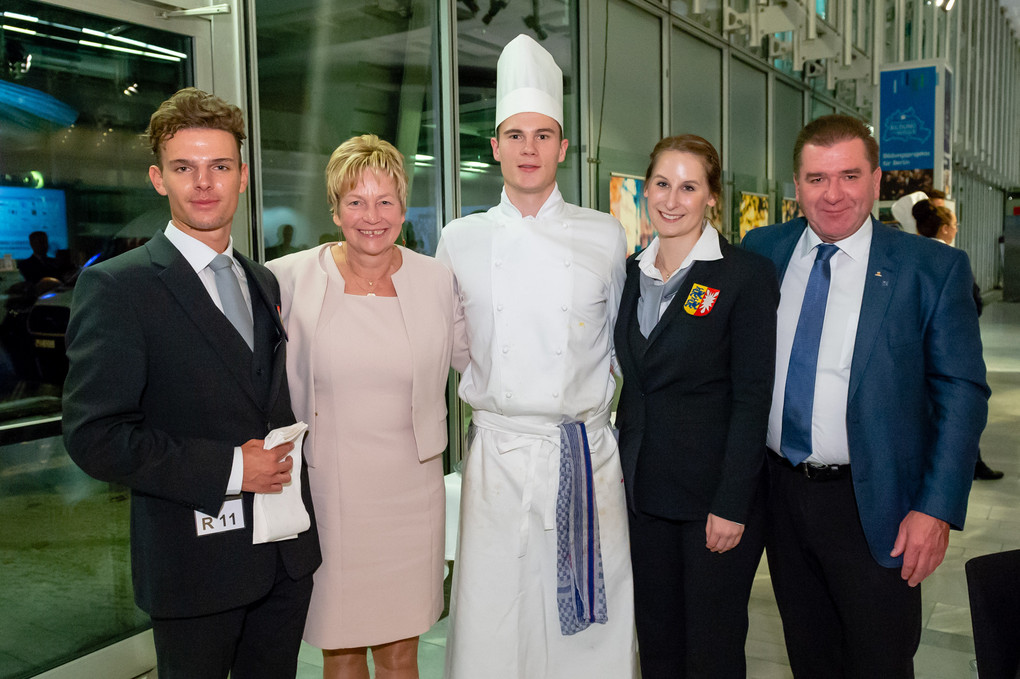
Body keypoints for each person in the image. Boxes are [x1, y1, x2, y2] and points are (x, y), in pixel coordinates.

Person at [62, 87, 321, 679]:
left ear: (243, 177)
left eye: (220, 166)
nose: (204, 183)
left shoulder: (261, 281)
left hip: (283, 558)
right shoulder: (119, 288)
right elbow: (95, 436)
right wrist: (231, 469)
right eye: (184, 168)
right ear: (158, 179)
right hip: (193, 568)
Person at [742, 114, 990, 678]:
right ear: (797, 184)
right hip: (780, 496)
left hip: (876, 503)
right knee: (809, 656)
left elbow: (962, 393)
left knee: (880, 660)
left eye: (849, 176)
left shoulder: (931, 268)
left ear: (876, 181)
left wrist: (936, 508)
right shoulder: (764, 250)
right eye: (817, 178)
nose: (833, 194)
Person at [436, 34, 636, 679]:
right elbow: (454, 342)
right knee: (493, 618)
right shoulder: (459, 239)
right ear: (494, 147)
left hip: (583, 453)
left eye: (543, 135)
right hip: (497, 456)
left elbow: (621, 345)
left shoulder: (605, 235)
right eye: (515, 135)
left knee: (585, 639)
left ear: (563, 147)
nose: (529, 148)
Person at [266, 134, 468, 679]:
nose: (372, 217)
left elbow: (479, 362)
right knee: (341, 645)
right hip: (329, 492)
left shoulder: (437, 280)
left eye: (385, 201)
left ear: (403, 208)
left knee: (402, 649)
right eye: (355, 201)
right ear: (335, 210)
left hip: (412, 491)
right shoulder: (287, 278)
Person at [614, 135, 778, 678]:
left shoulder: (744, 275)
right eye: (662, 184)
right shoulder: (631, 274)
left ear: (712, 197)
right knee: (657, 644)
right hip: (644, 496)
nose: (671, 199)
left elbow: (753, 397)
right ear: (645, 189)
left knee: (712, 651)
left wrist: (732, 502)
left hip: (713, 502)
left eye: (689, 187)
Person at [912, 197, 1004, 481]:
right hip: (946, 350)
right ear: (944, 229)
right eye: (954, 224)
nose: (956, 228)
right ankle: (968, 464)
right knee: (954, 404)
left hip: (913, 351)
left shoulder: (909, 256)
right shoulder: (952, 261)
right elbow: (974, 304)